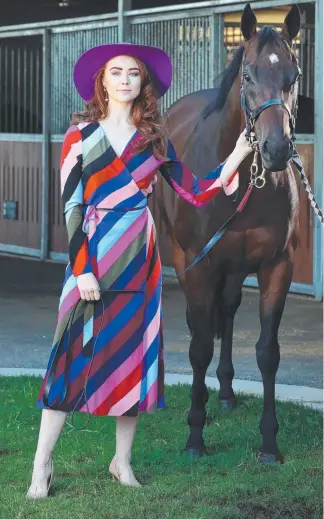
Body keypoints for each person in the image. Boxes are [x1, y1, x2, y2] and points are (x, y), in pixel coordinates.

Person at [26, 42, 253, 499]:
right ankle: (41, 465)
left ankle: (121, 462)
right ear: (102, 81)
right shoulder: (80, 135)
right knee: (68, 359)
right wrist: (82, 268)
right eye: (117, 72)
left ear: (142, 84)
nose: (126, 79)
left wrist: (237, 157)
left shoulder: (154, 138)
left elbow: (195, 190)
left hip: (138, 261)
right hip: (90, 257)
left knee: (132, 360)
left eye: (133, 73)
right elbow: (71, 205)